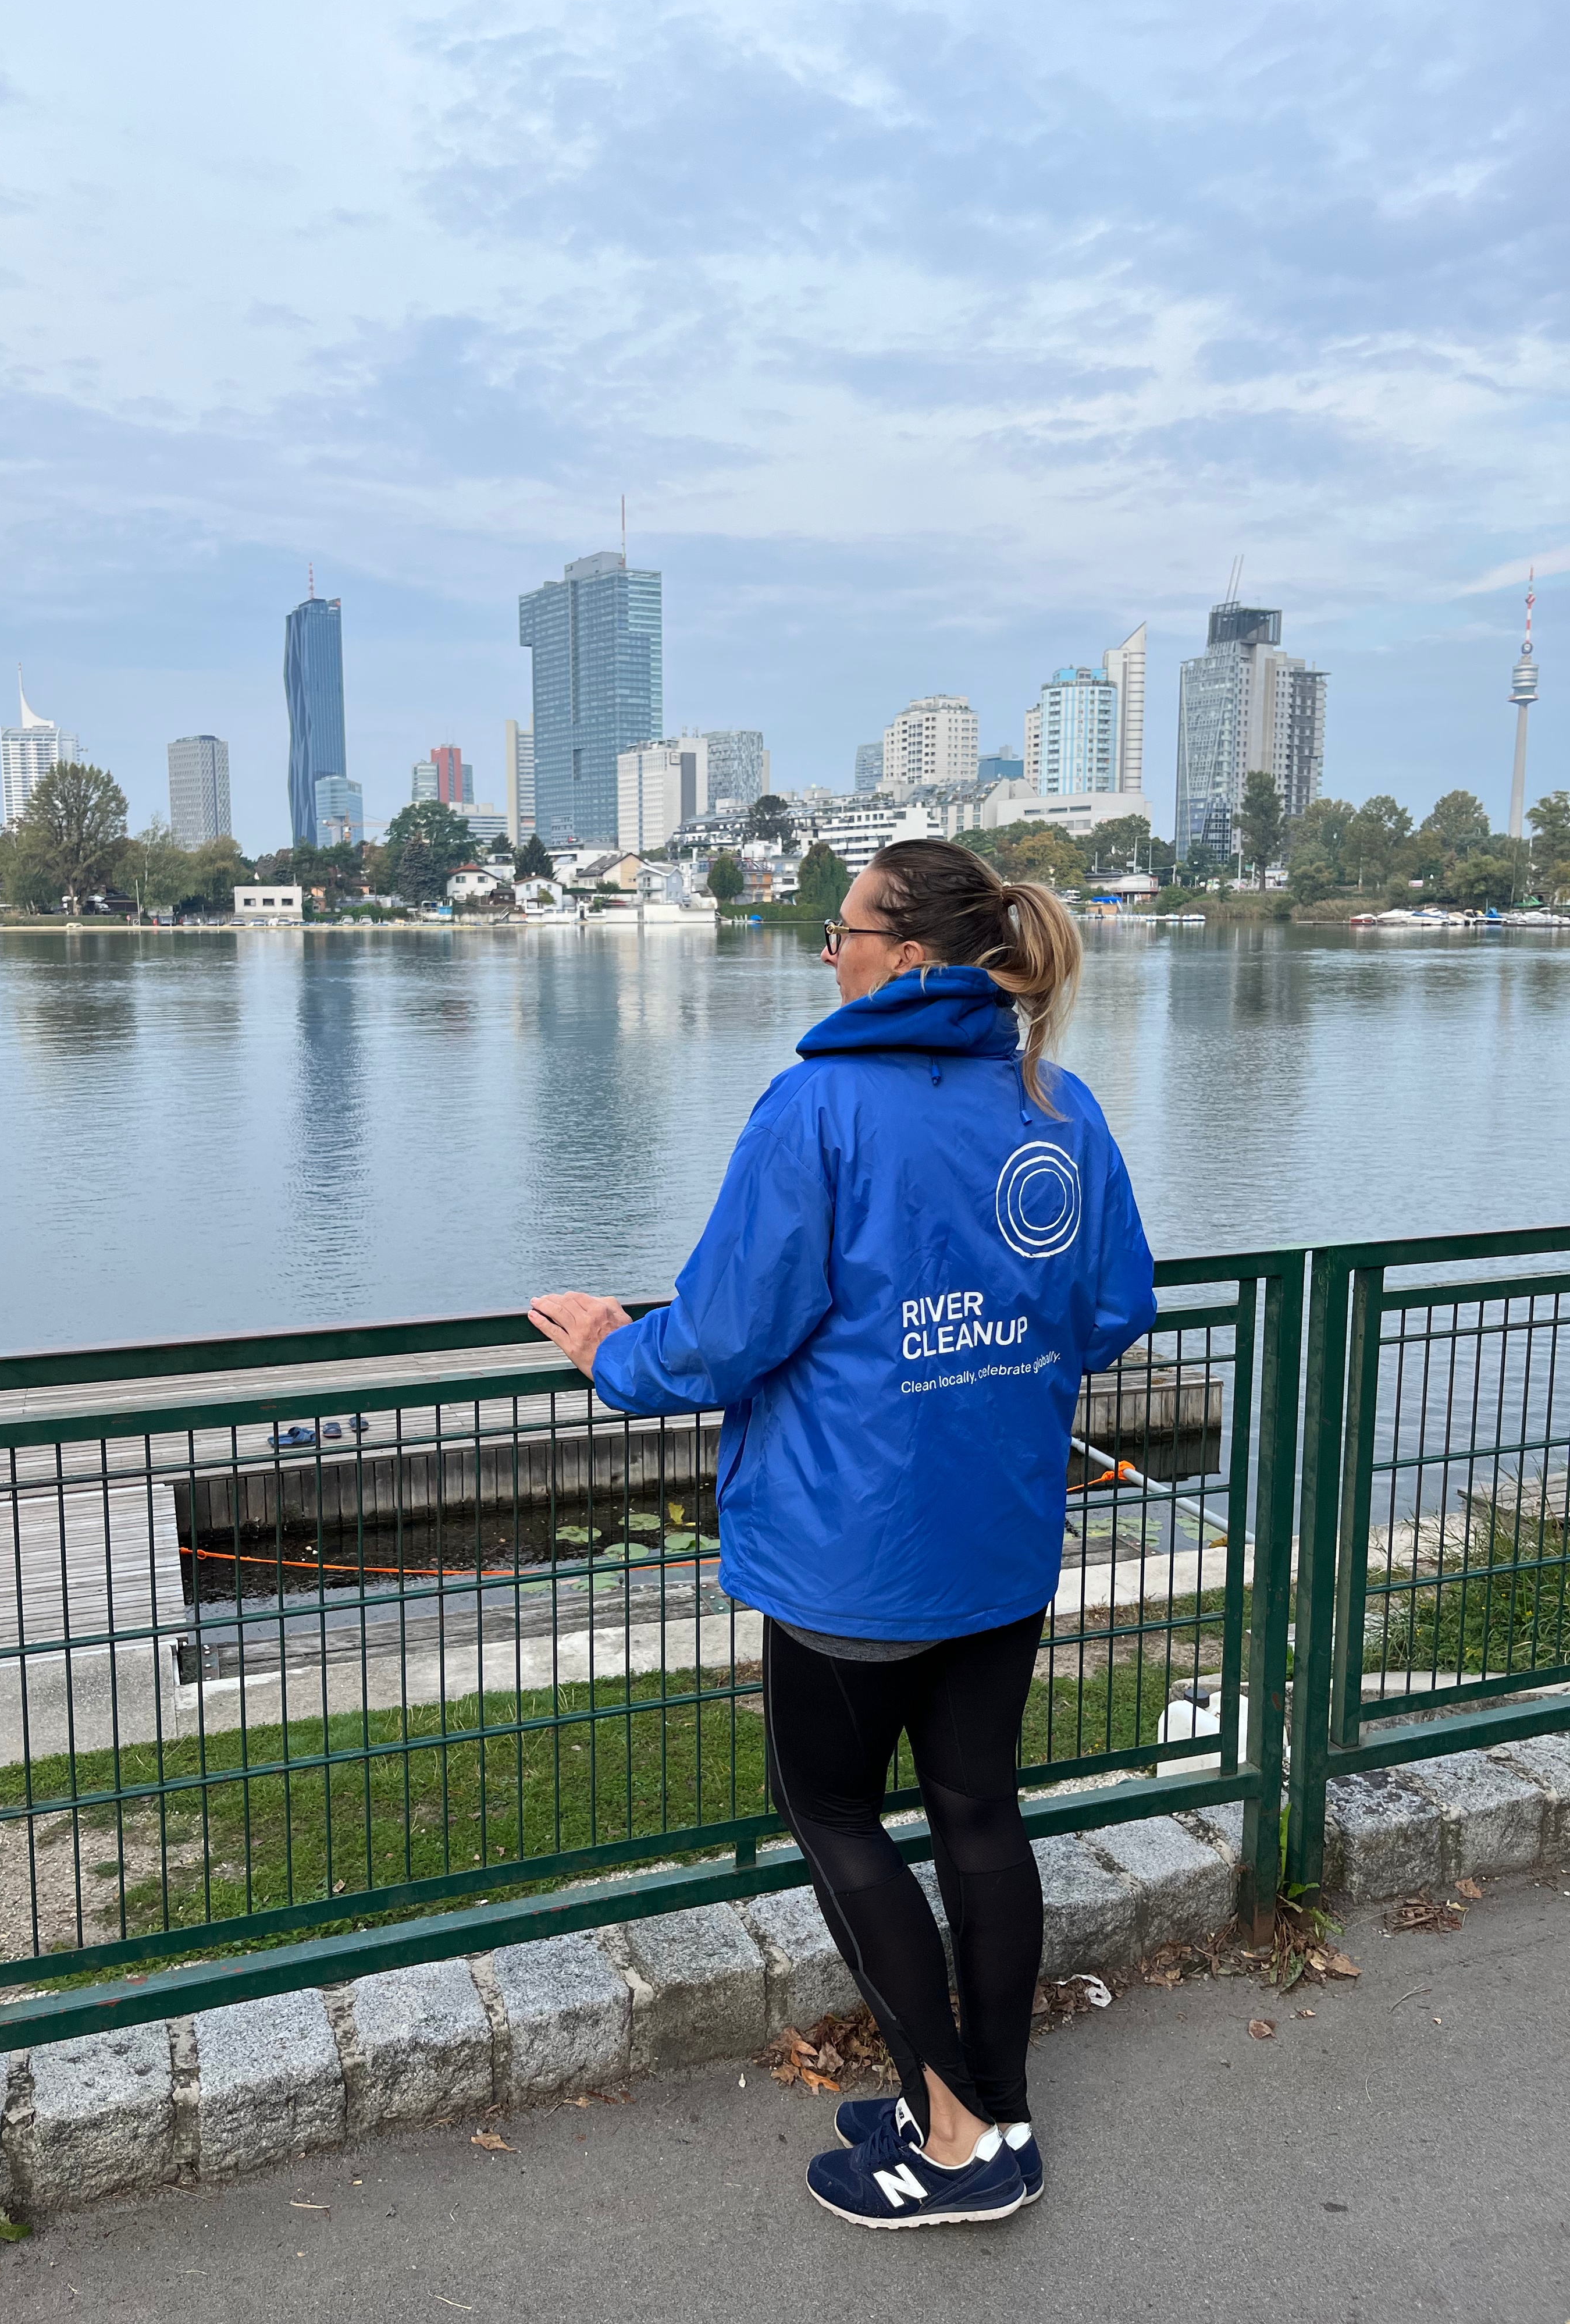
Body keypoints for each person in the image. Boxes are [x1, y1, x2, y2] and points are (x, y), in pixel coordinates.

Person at [529, 839, 1155, 2231]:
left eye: (845, 926)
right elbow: (1112, 1311)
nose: (829, 949)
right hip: (998, 1538)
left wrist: (613, 1353)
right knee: (979, 1808)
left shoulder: (817, 1109)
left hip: (849, 1556)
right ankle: (995, 2106)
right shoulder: (1060, 1100)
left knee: (830, 1813)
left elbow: (730, 1336)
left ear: (910, 957)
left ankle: (953, 2147)